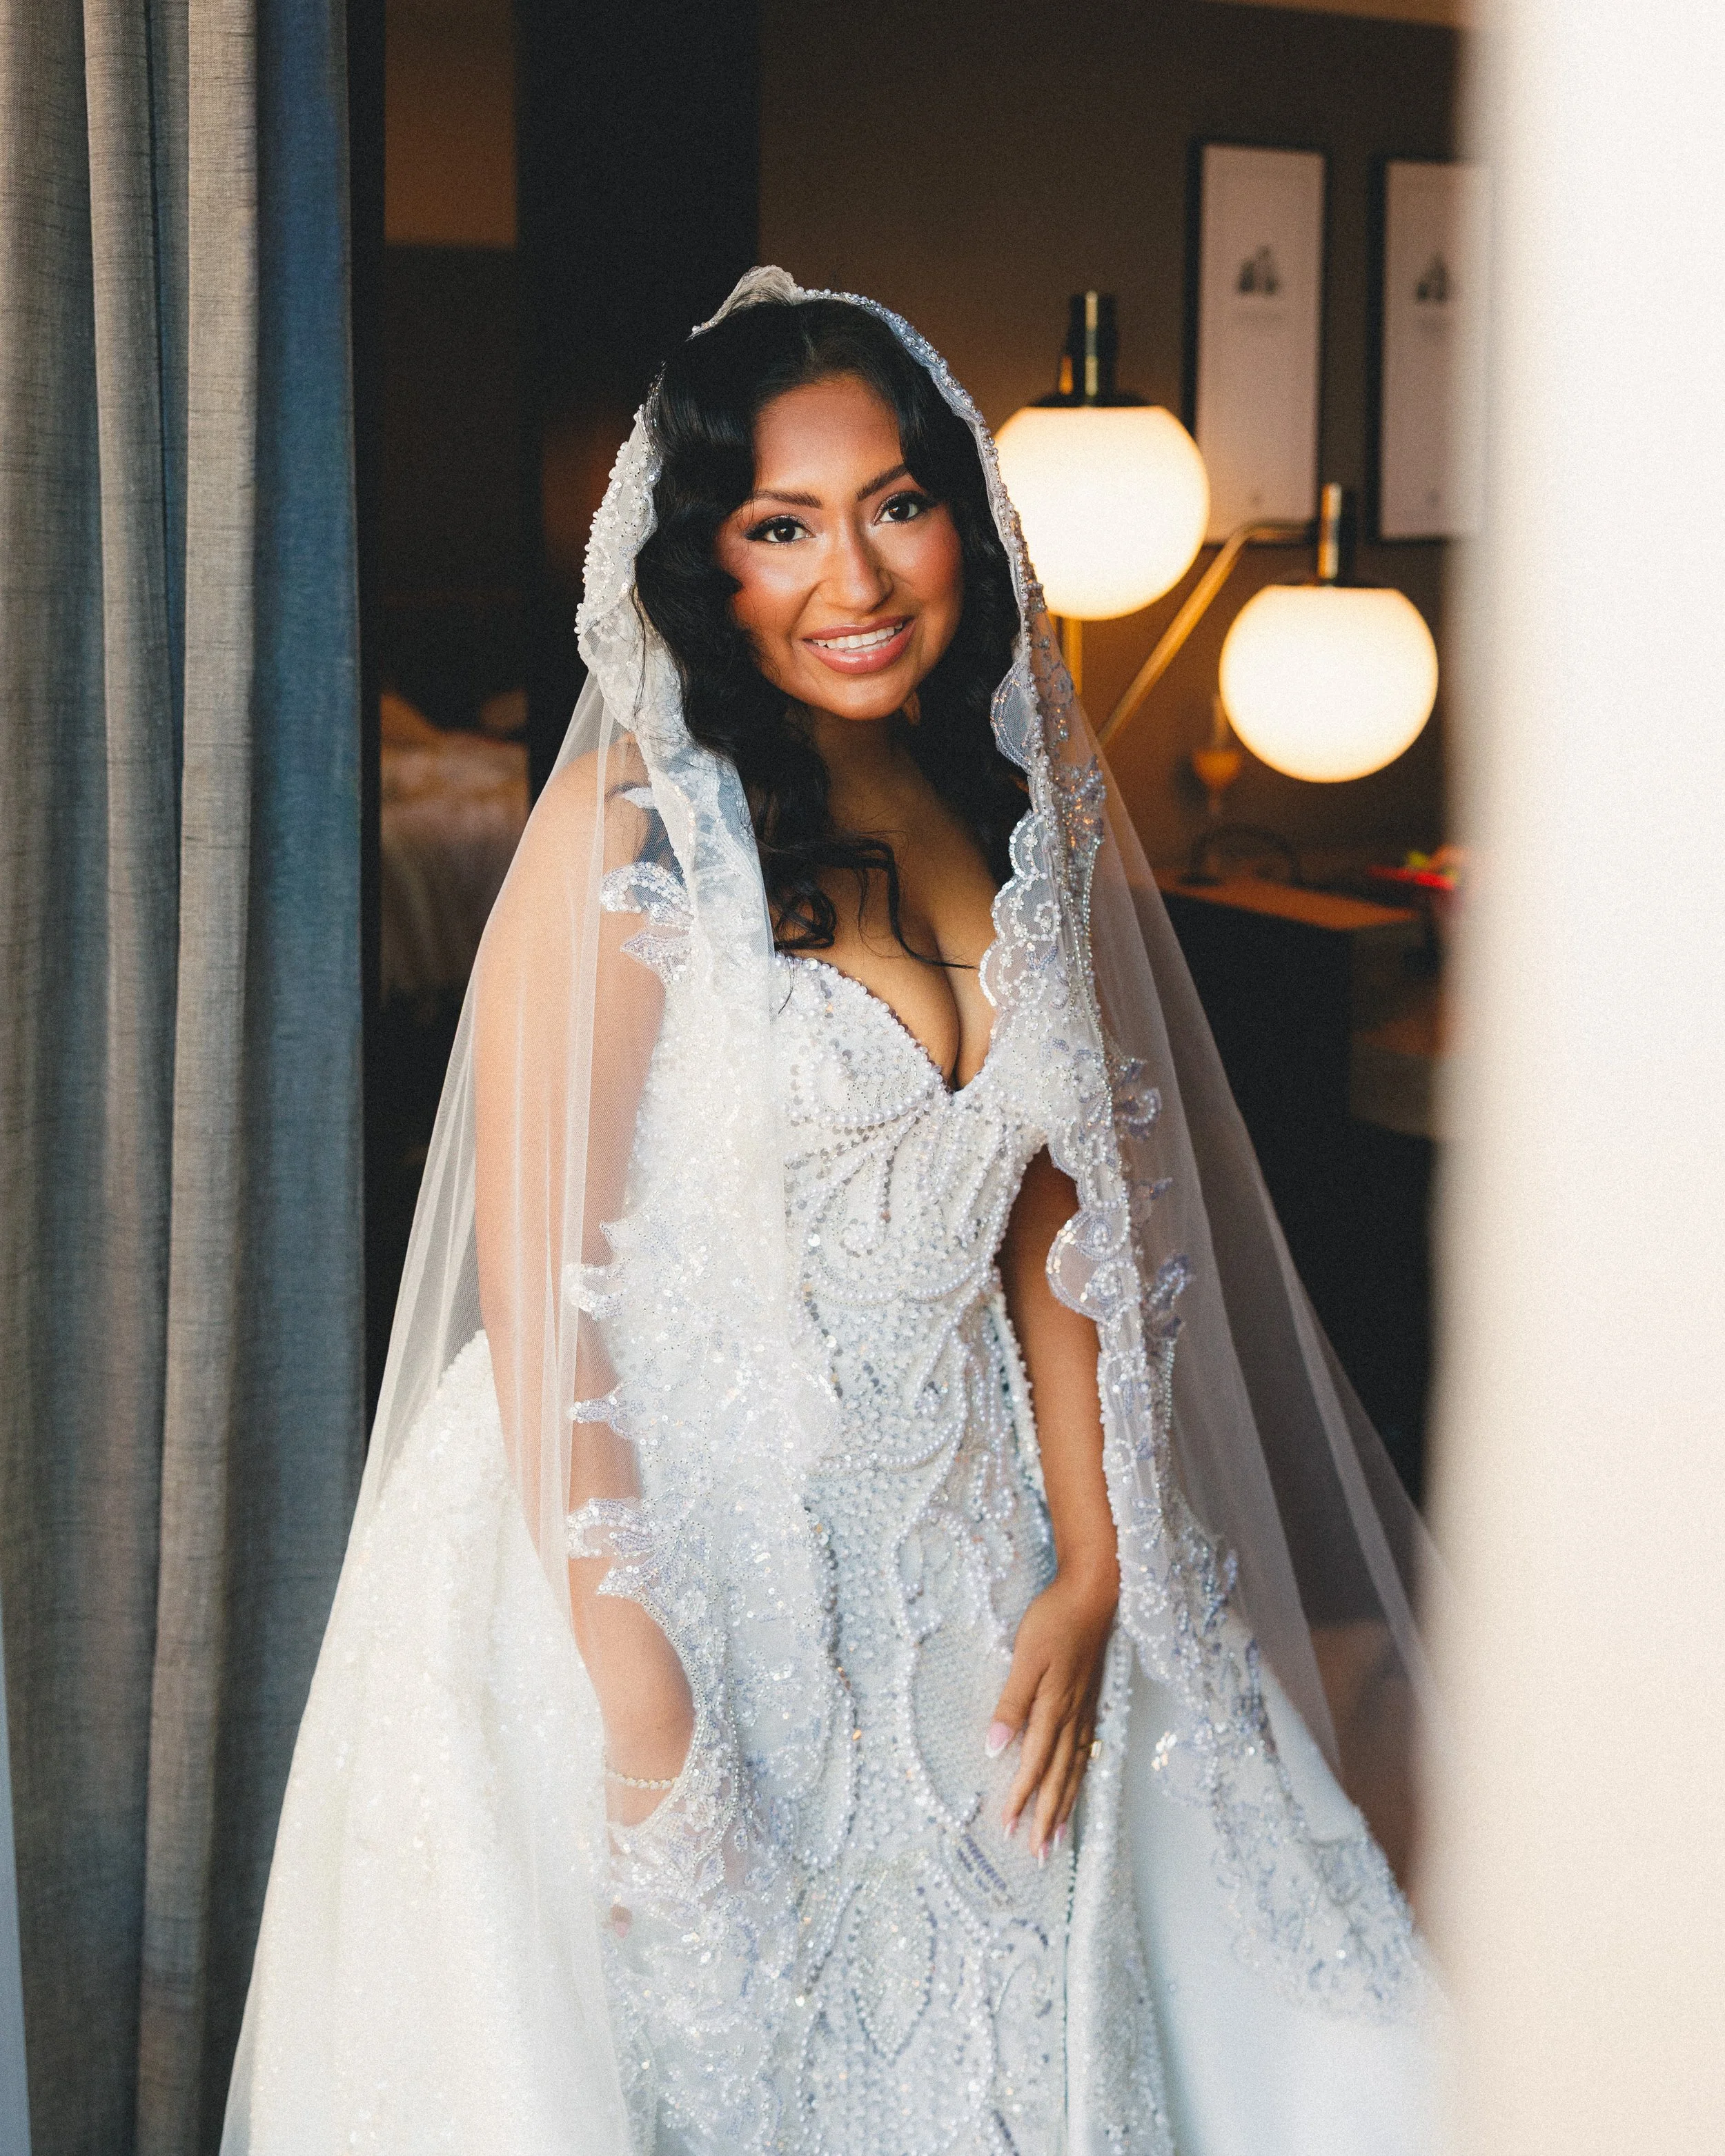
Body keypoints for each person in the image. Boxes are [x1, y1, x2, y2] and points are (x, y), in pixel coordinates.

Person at [221, 271, 1444, 2156]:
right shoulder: (632, 831)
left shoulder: (1016, 801)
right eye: (779, 527)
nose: (853, 579)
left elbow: (1051, 1202)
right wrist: (645, 1714)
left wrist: (1094, 1549)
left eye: (895, 504)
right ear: (701, 562)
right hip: (655, 1527)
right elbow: (549, 1304)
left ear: (962, 515)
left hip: (958, 1515)